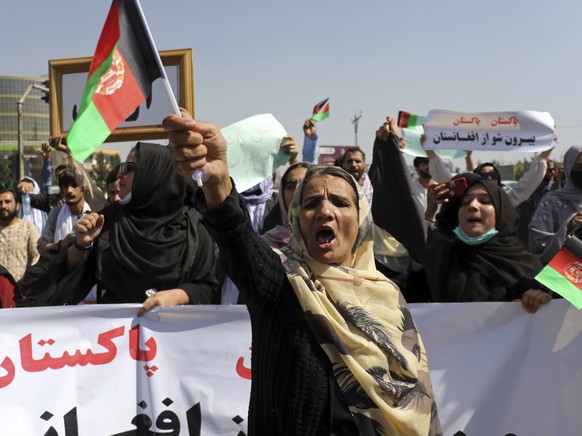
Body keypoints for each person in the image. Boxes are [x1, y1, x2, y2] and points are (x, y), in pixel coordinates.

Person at [164, 111, 442, 435]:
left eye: (340, 202)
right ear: (295, 220)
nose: (325, 211)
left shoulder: (388, 296)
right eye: (311, 204)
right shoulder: (280, 282)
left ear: (361, 220)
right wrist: (217, 180)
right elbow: (236, 237)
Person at [370, 116, 552, 313]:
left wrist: (543, 299)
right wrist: (389, 148)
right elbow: (406, 210)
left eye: (484, 201)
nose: (473, 206)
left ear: (501, 213)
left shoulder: (529, 266)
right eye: (465, 202)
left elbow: (565, 308)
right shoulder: (442, 253)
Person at [19, 143, 221, 311]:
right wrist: (81, 246)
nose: (121, 176)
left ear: (154, 175)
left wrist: (177, 296)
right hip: (116, 345)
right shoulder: (110, 220)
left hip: (172, 344)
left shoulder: (194, 228)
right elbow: (64, 282)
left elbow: (208, 287)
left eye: (129, 168)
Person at [427, 147, 552, 207]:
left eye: (493, 175)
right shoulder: (464, 197)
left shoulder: (505, 199)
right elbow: (448, 181)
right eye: (484, 175)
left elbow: (528, 182)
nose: (489, 178)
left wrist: (546, 151)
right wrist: (430, 150)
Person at [529, 145, 582, 264]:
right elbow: (537, 244)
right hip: (565, 275)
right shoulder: (551, 201)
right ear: (569, 169)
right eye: (579, 167)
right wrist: (568, 229)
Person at [37, 168, 90, 253]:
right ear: (62, 191)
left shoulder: (93, 213)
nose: (69, 190)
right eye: (65, 186)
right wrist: (61, 244)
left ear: (83, 189)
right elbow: (41, 248)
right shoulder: (56, 214)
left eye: (74, 185)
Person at [260, 161, 310, 248]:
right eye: (290, 187)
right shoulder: (266, 244)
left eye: (304, 184)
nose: (296, 192)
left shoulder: (332, 238)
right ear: (282, 194)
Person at [0, 189, 39, 286]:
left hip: (20, 293)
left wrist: (27, 280)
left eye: (7, 202)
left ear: (17, 205)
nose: (3, 206)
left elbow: (37, 256)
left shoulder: (29, 229)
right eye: (0, 203)